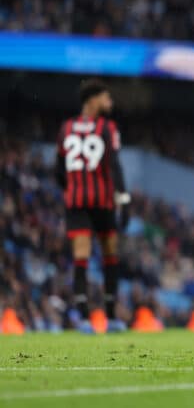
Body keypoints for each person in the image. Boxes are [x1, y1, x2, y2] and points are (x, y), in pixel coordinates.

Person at [55, 79, 130, 333]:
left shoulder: (66, 128)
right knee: (110, 255)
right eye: (105, 98)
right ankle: (111, 318)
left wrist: (73, 188)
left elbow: (58, 170)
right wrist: (124, 199)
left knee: (81, 258)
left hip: (76, 203)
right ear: (93, 99)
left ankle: (84, 318)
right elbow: (116, 166)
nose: (109, 102)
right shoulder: (107, 128)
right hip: (102, 203)